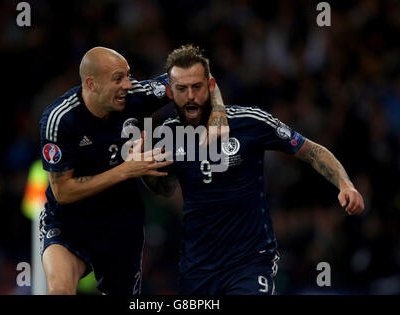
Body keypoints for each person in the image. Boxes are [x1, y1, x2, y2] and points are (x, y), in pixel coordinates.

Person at [143, 44, 365, 295]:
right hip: (197, 268)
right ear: (171, 93)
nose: (191, 96)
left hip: (249, 263)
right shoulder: (166, 135)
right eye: (182, 89)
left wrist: (345, 184)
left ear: (211, 86)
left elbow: (312, 151)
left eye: (197, 87)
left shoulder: (250, 121)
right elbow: (163, 188)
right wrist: (144, 169)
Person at [39, 46, 228, 295]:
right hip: (70, 222)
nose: (129, 85)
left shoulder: (136, 96)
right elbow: (63, 191)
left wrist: (218, 116)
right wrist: (125, 170)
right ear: (91, 84)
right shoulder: (60, 119)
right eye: (118, 78)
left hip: (121, 222)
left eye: (128, 75)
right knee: (60, 291)